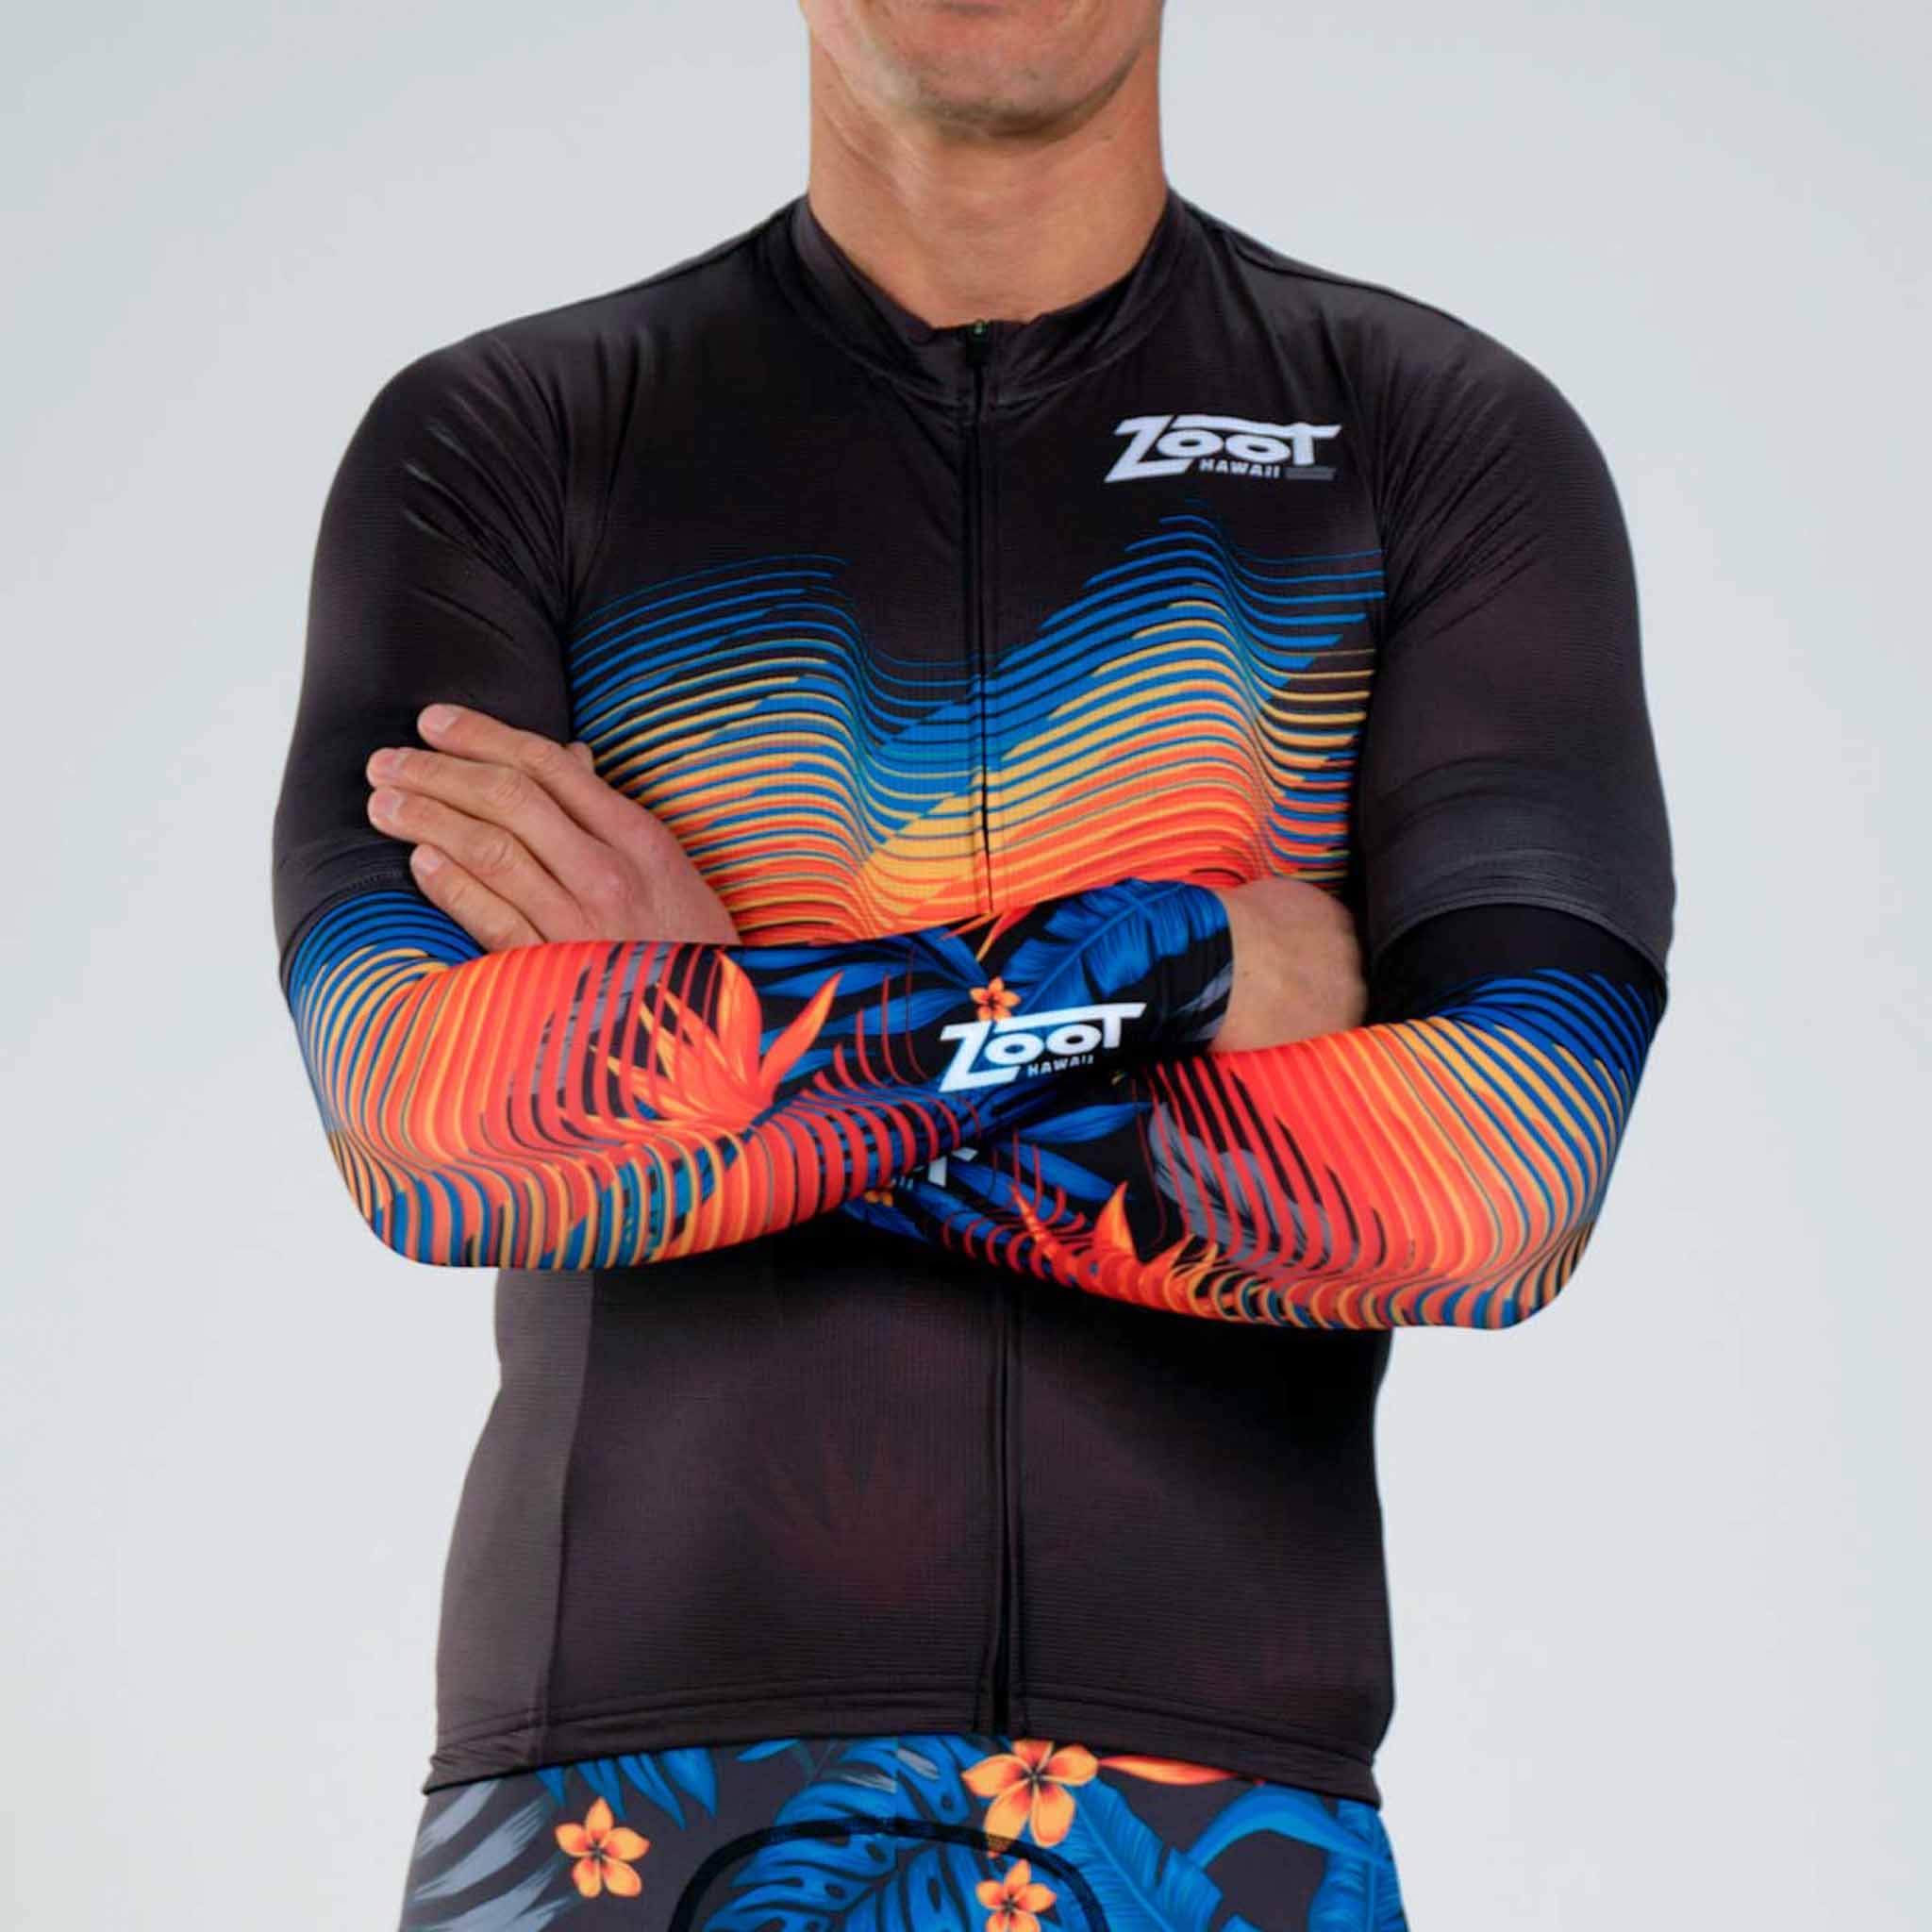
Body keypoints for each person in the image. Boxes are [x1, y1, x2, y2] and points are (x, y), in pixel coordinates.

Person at [268, 2, 1674, 1924]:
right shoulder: (514, 439)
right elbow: (433, 1129)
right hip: (616, 1818)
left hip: (1211, 1833)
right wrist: (1166, 963)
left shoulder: (1433, 437)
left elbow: (1497, 1182)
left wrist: (710, 1050)